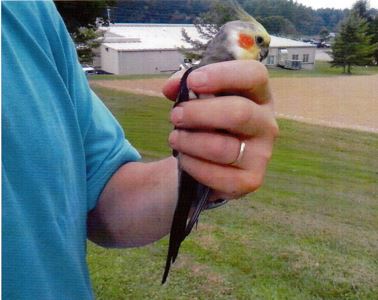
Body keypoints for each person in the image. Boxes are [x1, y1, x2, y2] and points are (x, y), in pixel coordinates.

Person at [2, 1, 278, 299]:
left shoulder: (31, 11)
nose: (262, 51)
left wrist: (213, 170)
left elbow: (102, 187)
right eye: (259, 42)